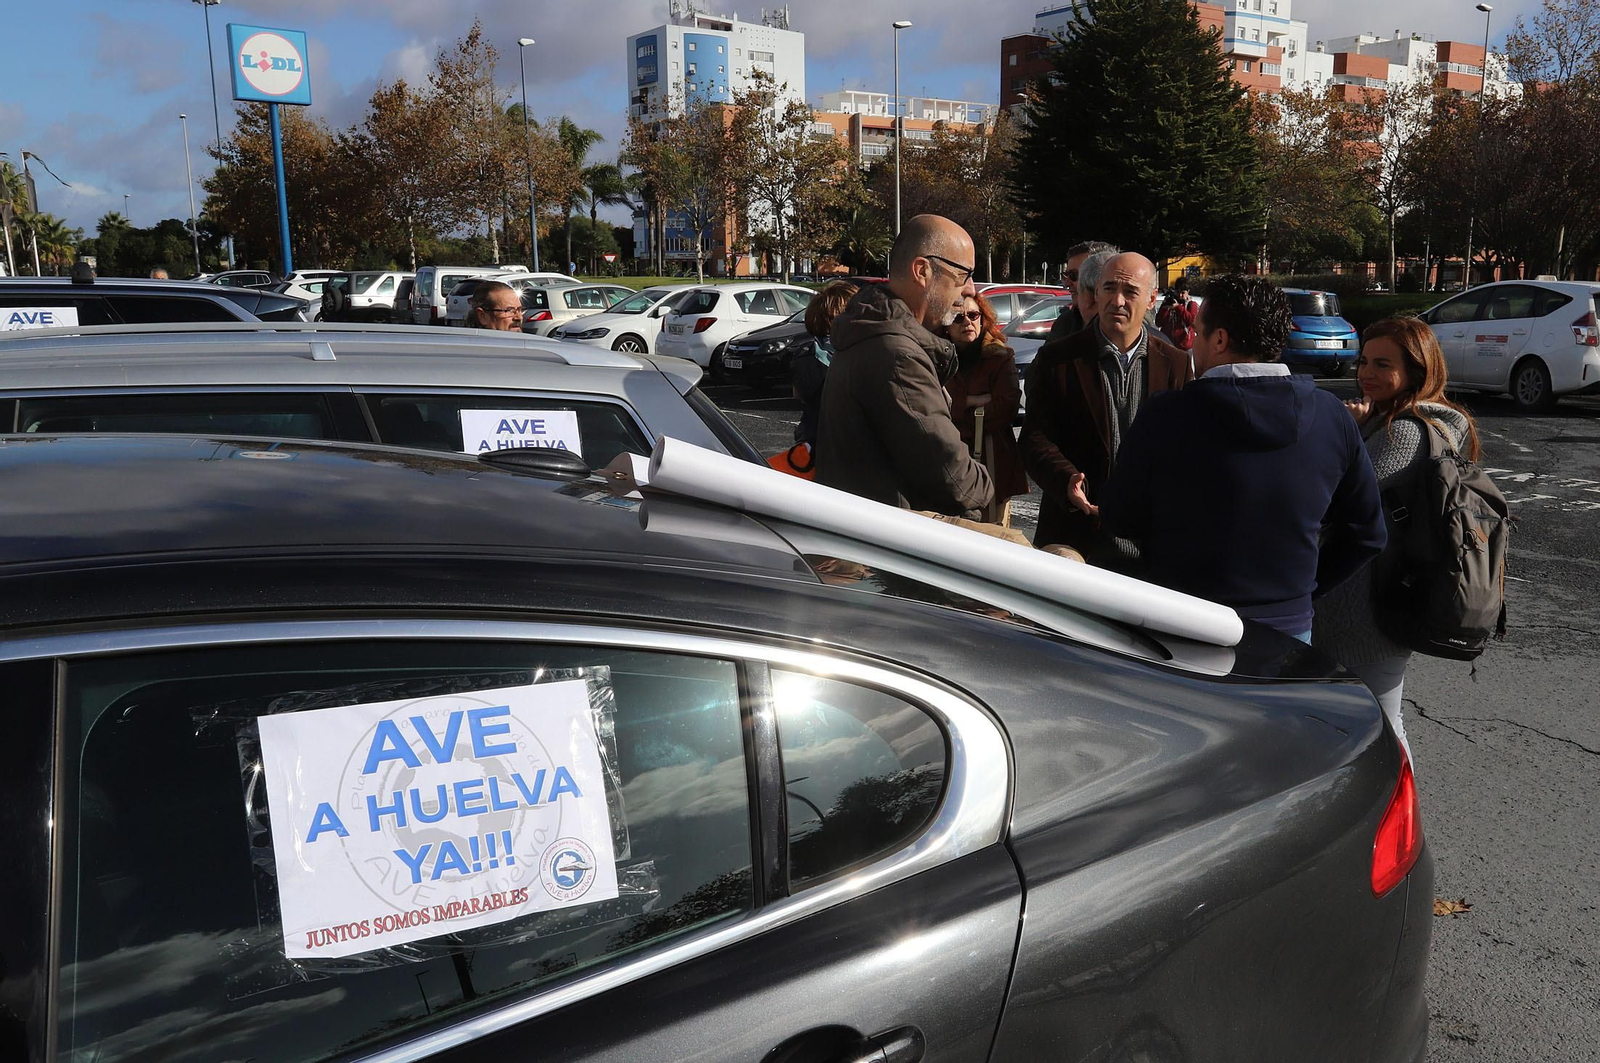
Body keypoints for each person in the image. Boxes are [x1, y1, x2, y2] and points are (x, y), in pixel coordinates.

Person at [1097, 275, 1386, 641]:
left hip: (1180, 617)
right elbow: (1368, 533)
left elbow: (1121, 517)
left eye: (1198, 335)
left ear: (1220, 339)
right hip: (1287, 623)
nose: (1193, 347)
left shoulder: (1167, 415)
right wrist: (1304, 589)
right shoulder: (1333, 416)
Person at [1313, 316, 1479, 746]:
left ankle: (1401, 813)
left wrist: (1345, 430)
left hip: (1367, 612)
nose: (1366, 373)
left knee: (1381, 729)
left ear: (1416, 371)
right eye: (1363, 361)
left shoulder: (1404, 432)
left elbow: (1334, 494)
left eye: (1383, 364)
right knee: (1363, 725)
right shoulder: (1407, 421)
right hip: (1383, 600)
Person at [815, 214, 993, 519]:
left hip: (872, 538)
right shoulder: (898, 355)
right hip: (892, 549)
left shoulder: (875, 335)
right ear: (922, 270)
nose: (970, 289)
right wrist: (985, 484)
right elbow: (955, 478)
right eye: (963, 274)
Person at [1020, 251, 1191, 561]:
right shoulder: (1058, 359)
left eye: (1130, 291)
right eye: (1110, 288)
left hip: (1149, 546)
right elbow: (1034, 438)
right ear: (1096, 292)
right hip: (1074, 536)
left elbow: (1187, 449)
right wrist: (1066, 479)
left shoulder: (1175, 364)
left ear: (1152, 299)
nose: (1118, 301)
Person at [939, 292, 1030, 524]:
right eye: (958, 318)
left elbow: (1007, 405)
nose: (967, 322)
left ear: (983, 319)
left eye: (973, 315)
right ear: (946, 325)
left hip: (993, 459)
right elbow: (934, 403)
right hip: (948, 459)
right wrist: (970, 402)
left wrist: (957, 410)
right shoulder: (937, 358)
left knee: (992, 533)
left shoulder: (1000, 355)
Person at [772, 280, 858, 478]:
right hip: (837, 459)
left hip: (812, 447)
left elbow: (800, 394)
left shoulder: (806, 356)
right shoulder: (855, 357)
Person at [1046, 240, 1118, 341]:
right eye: (1065, 275)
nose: (1067, 283)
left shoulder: (1133, 324)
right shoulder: (1065, 323)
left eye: (1074, 275)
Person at [1156, 278, 1198, 350]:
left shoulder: (1191, 305)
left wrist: (1178, 307)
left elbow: (1191, 321)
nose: (1180, 295)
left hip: (1184, 348)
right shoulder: (1170, 302)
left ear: (1188, 291)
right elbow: (1158, 322)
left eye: (1183, 292)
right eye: (1177, 292)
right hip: (1167, 345)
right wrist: (1166, 308)